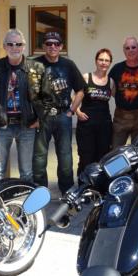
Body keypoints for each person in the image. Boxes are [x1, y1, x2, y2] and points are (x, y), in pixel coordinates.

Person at [0, 29, 42, 182]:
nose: (15, 47)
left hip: (27, 126)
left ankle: (26, 198)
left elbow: (47, 96)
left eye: (18, 44)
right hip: (1, 126)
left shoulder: (36, 68)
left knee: (27, 172)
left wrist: (40, 120)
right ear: (4, 46)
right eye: (10, 44)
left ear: (24, 46)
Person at [32, 31, 85, 194]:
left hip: (63, 115)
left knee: (65, 155)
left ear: (61, 46)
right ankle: (40, 191)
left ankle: (67, 190)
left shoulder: (68, 65)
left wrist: (72, 110)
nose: (52, 47)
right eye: (49, 43)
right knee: (39, 157)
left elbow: (80, 90)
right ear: (43, 46)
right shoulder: (34, 64)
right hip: (42, 116)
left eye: (56, 44)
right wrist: (33, 116)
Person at [75, 49, 114, 174]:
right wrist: (77, 112)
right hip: (86, 125)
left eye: (107, 60)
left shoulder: (111, 81)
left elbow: (119, 97)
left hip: (104, 125)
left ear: (110, 63)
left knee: (103, 155)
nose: (103, 63)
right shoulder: (86, 77)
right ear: (96, 61)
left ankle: (98, 182)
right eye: (101, 59)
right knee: (86, 155)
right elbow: (74, 96)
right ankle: (84, 182)